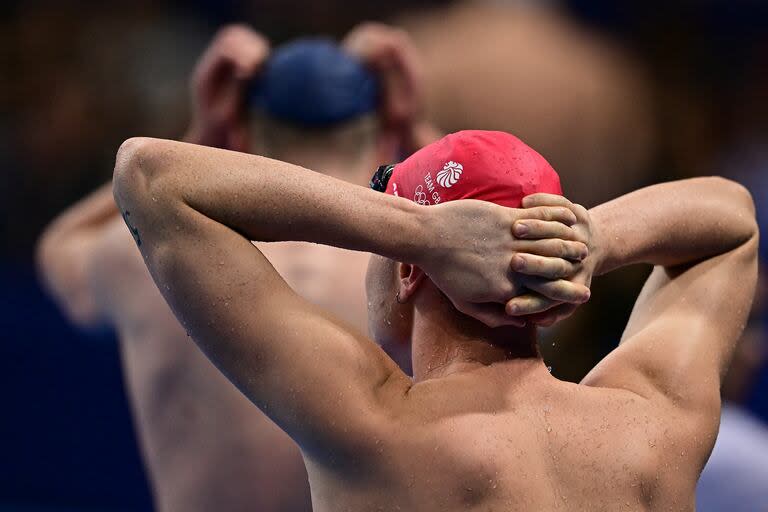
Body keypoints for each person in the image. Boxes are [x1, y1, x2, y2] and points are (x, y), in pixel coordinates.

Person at [112, 127, 758, 510]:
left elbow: (152, 177)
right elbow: (731, 219)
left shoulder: (373, 425)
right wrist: (592, 240)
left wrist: (415, 231)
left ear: (407, 268)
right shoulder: (654, 422)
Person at [36, 23, 430, 511]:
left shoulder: (145, 257)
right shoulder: (418, 269)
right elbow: (528, 258)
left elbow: (60, 249)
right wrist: (417, 130)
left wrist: (200, 135)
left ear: (239, 136)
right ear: (384, 141)